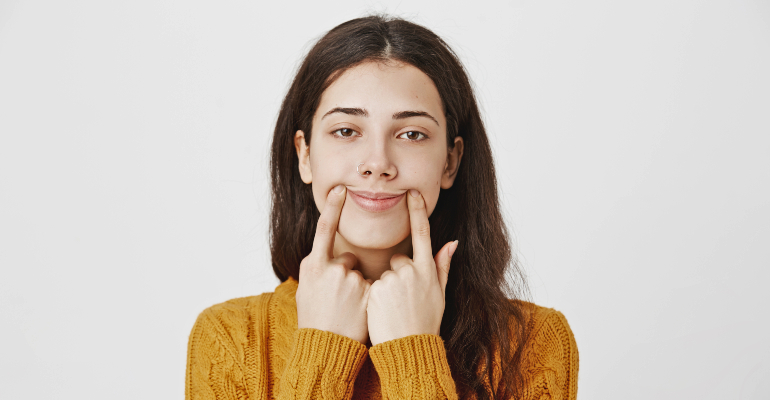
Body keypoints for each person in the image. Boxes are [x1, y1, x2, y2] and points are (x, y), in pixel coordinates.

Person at [185, 14, 578, 400]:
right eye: (346, 131)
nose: (377, 162)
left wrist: (413, 353)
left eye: (411, 134)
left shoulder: (534, 344)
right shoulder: (228, 338)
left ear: (450, 162)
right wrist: (322, 349)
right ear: (304, 155)